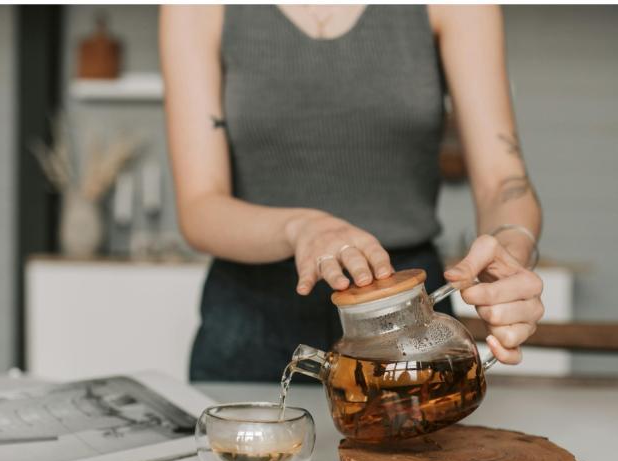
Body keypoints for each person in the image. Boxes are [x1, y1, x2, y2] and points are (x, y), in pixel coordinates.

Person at [161, 5, 543, 382]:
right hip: (251, 320)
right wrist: (303, 228)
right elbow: (200, 206)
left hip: (408, 310)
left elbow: (502, 181)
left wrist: (511, 247)